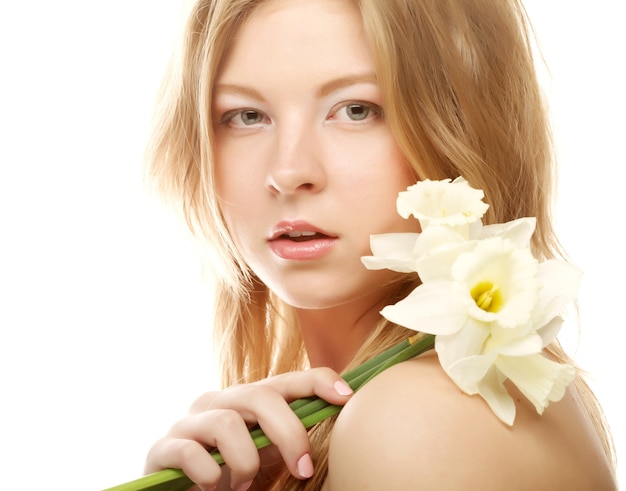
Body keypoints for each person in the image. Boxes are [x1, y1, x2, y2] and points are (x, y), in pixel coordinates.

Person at [143, 0, 617, 489]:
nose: (288, 172)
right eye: (246, 115)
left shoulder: (415, 418)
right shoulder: (405, 405)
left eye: (356, 110)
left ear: (462, 126)